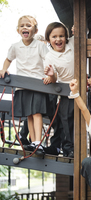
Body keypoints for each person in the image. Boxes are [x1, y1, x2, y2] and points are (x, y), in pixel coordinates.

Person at [0, 15, 49, 155]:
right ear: (18, 30)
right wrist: (4, 69)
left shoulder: (40, 45)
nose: (25, 27)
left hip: (37, 83)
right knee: (29, 114)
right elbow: (8, 59)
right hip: (22, 85)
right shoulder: (15, 46)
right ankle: (33, 142)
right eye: (22, 26)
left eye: (29, 25)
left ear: (35, 30)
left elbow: (49, 60)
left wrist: (49, 75)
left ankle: (38, 142)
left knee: (37, 113)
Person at [44, 22, 74, 158]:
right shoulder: (50, 56)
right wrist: (51, 75)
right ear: (49, 39)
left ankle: (77, 146)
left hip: (78, 87)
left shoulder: (72, 45)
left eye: (61, 36)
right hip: (64, 91)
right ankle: (68, 149)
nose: (58, 39)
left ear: (66, 37)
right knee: (65, 119)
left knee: (77, 119)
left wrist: (79, 29)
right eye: (54, 36)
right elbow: (55, 78)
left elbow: (84, 33)